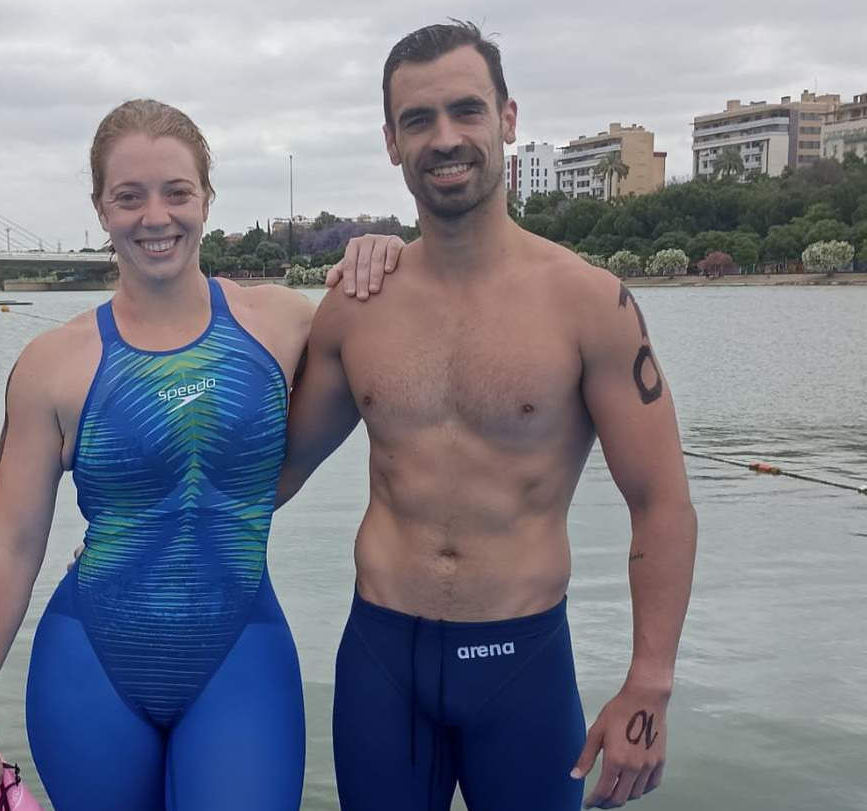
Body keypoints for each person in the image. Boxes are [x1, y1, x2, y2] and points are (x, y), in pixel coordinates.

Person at [276, 22, 698, 811]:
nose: (445, 138)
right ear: (390, 143)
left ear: (507, 119)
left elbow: (662, 503)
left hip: (522, 664)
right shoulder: (356, 306)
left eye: (466, 111)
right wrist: (129, 534)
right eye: (417, 120)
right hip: (380, 661)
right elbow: (273, 476)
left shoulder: (589, 303)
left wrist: (649, 682)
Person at [0, 99, 400, 811]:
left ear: (207, 199)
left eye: (176, 192)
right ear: (100, 207)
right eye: (129, 197)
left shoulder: (283, 323)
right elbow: (13, 539)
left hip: (239, 654)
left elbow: (397, 338)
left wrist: (384, 251)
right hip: (90, 662)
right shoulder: (51, 365)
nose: (155, 217)